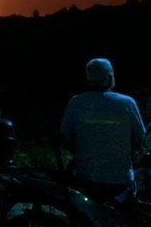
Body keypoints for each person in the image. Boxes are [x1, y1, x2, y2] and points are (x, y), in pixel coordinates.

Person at [60, 58, 146, 207]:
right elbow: (140, 137)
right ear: (110, 77)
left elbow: (65, 137)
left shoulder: (76, 103)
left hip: (85, 176)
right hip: (119, 179)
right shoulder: (126, 103)